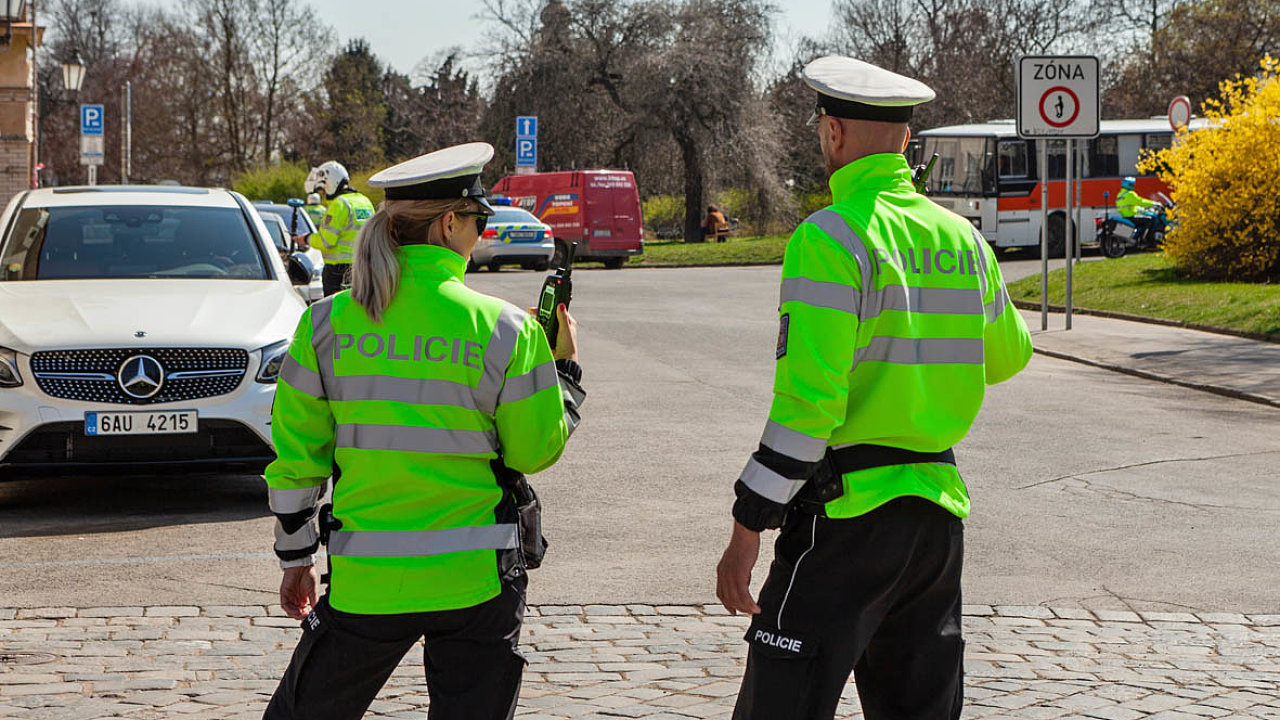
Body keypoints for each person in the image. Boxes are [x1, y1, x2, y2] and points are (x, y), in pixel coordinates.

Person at [716, 55, 1033, 720]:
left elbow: (809, 406)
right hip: (937, 521)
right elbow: (1007, 358)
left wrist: (749, 525)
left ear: (832, 134)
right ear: (907, 143)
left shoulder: (829, 238)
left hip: (846, 519)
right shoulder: (966, 240)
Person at [262, 142, 586, 720]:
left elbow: (296, 459)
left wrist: (295, 558)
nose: (482, 233)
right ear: (449, 223)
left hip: (367, 582)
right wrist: (562, 372)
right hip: (477, 583)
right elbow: (535, 451)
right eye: (479, 220)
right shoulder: (507, 328)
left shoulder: (323, 324)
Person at [306, 161, 376, 296]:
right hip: (363, 269)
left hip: (337, 272)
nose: (324, 194)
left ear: (330, 182)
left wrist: (306, 239)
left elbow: (326, 241)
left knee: (336, 313)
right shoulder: (365, 201)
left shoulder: (340, 204)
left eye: (324, 188)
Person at [1116, 176, 1165, 241]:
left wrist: (1141, 209)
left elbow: (1132, 205)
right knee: (1150, 220)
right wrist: (1154, 204)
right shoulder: (1130, 194)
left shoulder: (1120, 195)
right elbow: (1140, 201)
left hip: (1126, 216)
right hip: (1132, 216)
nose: (1133, 186)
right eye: (1132, 184)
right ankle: (1146, 239)